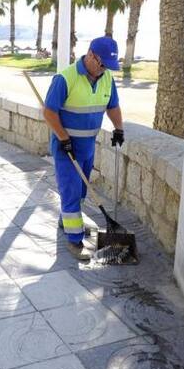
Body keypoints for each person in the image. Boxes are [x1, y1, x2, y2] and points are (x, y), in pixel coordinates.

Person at [43, 36, 124, 261]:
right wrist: (63, 138)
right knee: (71, 190)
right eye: (102, 64)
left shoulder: (106, 78)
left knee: (81, 190)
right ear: (90, 55)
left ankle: (67, 220)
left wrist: (119, 129)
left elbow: (113, 106)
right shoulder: (65, 78)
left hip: (88, 145)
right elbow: (49, 112)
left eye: (108, 66)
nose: (104, 69)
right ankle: (74, 239)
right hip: (66, 147)